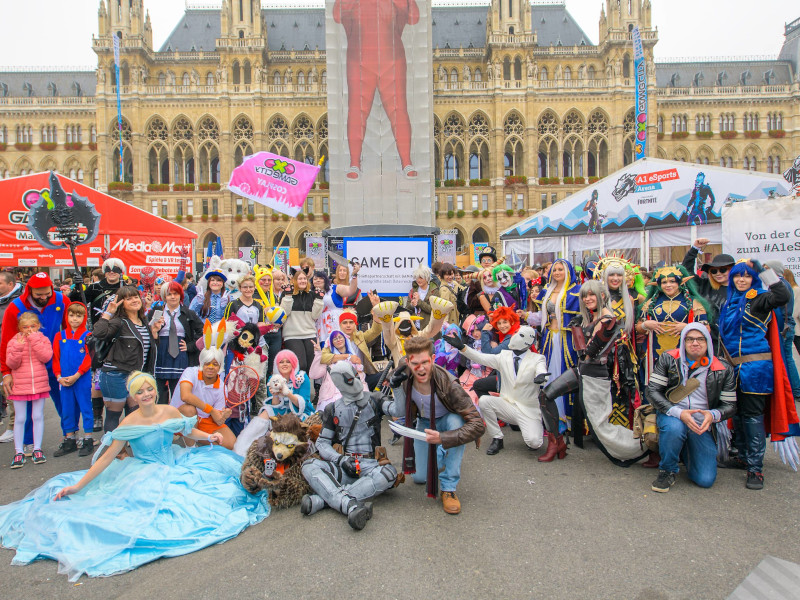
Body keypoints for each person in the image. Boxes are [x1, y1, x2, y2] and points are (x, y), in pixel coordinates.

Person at [0, 371, 268, 582]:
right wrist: (78, 486)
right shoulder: (128, 423)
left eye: (149, 388)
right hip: (144, 473)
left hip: (176, 462)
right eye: (140, 392)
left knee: (225, 484)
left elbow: (186, 431)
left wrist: (209, 437)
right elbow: (106, 458)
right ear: (133, 396)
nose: (146, 394)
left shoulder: (169, 411)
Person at [384, 336, 485, 515]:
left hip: (447, 419)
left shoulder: (448, 383)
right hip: (424, 422)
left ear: (432, 359)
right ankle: (442, 451)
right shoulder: (403, 374)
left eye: (425, 362)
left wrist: (443, 438)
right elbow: (398, 409)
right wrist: (395, 387)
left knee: (456, 424)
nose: (421, 368)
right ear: (408, 362)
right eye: (415, 363)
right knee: (420, 478)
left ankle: (449, 487)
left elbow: (478, 425)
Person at [719, 262, 796, 490]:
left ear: (753, 278)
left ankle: (755, 468)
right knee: (737, 414)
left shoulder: (760, 298)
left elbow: (782, 295)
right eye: (737, 276)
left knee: (752, 417)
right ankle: (743, 457)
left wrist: (764, 270)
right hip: (732, 368)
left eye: (746, 276)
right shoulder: (729, 302)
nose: (741, 280)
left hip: (755, 368)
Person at [555, 280, 649, 466]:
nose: (587, 299)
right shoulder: (593, 317)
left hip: (595, 374)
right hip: (585, 371)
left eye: (592, 294)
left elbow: (588, 352)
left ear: (602, 296)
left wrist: (577, 332)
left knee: (600, 425)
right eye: (584, 295)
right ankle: (556, 444)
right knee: (547, 395)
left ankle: (641, 448)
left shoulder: (607, 319)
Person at [301, 361, 400, 530]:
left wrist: (398, 388)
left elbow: (399, 411)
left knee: (389, 474)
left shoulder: (374, 399)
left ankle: (325, 500)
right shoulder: (332, 409)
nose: (356, 381)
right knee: (309, 465)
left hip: (372, 466)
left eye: (356, 376)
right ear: (339, 383)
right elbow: (322, 443)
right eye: (349, 379)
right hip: (344, 467)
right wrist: (341, 460)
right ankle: (350, 505)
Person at [333, 0, 419, 180]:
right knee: (356, 111)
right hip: (359, 59)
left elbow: (414, 17)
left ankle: (406, 162)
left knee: (399, 111)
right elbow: (337, 15)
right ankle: (354, 163)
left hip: (392, 59)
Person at [647, 323, 737, 492]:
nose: (695, 343)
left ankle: (683, 451)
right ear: (683, 341)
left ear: (708, 342)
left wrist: (713, 415)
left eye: (700, 339)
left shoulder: (723, 368)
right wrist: (679, 413)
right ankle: (667, 470)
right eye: (690, 339)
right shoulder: (668, 358)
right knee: (674, 429)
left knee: (705, 479)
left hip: (700, 423)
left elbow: (730, 406)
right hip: (673, 414)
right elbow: (652, 392)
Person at [448, 326, 557, 457]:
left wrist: (541, 377)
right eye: (515, 333)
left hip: (528, 410)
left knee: (534, 443)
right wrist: (462, 347)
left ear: (529, 341)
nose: (514, 336)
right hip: (507, 406)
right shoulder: (504, 356)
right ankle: (497, 438)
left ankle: (528, 428)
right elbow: (481, 358)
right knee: (484, 401)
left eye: (520, 334)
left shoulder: (537, 358)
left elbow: (541, 370)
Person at [1, 272, 70, 454]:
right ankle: (28, 442)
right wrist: (6, 372)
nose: (44, 297)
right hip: (26, 367)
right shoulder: (15, 307)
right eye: (39, 294)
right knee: (28, 405)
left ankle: (70, 435)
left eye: (47, 293)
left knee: (64, 400)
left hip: (54, 362)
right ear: (30, 290)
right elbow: (6, 342)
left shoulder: (61, 300)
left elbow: (71, 327)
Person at [93, 286, 159, 432]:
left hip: (135, 376)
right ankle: (114, 446)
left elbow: (147, 349)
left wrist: (154, 333)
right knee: (113, 415)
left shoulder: (143, 321)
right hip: (115, 374)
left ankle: (131, 444)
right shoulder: (119, 321)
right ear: (122, 303)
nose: (134, 300)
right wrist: (108, 313)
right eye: (128, 299)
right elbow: (98, 333)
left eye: (136, 297)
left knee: (134, 415)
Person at [527, 258, 581, 434]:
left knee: (566, 375)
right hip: (550, 338)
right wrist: (525, 315)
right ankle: (551, 419)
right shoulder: (547, 291)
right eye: (555, 270)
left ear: (568, 271)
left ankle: (569, 420)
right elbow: (541, 318)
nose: (557, 272)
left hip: (567, 340)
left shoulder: (577, 291)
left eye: (560, 269)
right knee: (549, 374)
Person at [6, 312, 53, 468]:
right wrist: (18, 347)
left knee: (37, 416)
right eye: (25, 327)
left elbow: (46, 357)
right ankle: (18, 452)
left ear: (38, 326)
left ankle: (37, 449)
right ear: (20, 328)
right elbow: (12, 364)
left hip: (39, 384)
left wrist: (34, 340)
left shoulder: (43, 339)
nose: (29, 330)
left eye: (33, 326)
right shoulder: (14, 341)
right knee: (20, 418)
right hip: (20, 386)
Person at [148, 281, 204, 406]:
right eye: (169, 294)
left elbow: (202, 331)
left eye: (176, 294)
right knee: (159, 392)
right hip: (160, 351)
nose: (173, 297)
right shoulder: (156, 312)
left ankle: (176, 415)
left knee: (178, 391)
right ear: (164, 296)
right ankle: (161, 415)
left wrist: (191, 346)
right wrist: (155, 331)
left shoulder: (188, 313)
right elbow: (147, 333)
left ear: (181, 295)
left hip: (180, 353)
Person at [171, 350, 236, 451]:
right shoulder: (190, 371)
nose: (210, 367)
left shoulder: (222, 387)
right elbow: (185, 396)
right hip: (179, 416)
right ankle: (190, 449)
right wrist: (210, 410)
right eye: (207, 363)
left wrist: (223, 416)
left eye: (215, 364)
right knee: (189, 410)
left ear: (220, 366)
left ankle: (194, 436)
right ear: (201, 363)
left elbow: (218, 420)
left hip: (204, 420)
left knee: (230, 443)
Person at [52, 303, 94, 458]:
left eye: (78, 316)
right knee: (67, 409)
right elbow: (55, 358)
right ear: (66, 316)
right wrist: (58, 377)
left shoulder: (88, 335)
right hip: (64, 380)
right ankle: (70, 439)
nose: (74, 319)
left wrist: (77, 374)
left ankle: (88, 439)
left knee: (85, 407)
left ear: (84, 317)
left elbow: (89, 358)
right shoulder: (59, 336)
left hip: (81, 379)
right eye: (71, 315)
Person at [320, 303, 383, 390]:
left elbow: (375, 331)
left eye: (351, 322)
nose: (348, 325)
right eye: (345, 323)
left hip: (361, 377)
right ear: (340, 325)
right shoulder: (334, 339)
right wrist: (347, 357)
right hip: (342, 380)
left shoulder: (360, 336)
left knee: (384, 377)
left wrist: (376, 311)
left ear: (355, 324)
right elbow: (323, 357)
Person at [763, 261, 800, 399]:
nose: (764, 272)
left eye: (766, 269)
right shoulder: (783, 284)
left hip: (782, 327)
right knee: (787, 358)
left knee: (786, 359)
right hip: (786, 325)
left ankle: (795, 390)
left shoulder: (779, 285)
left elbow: (779, 310)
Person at [279, 270, 324, 373]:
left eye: (304, 278)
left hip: (309, 334)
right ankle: (297, 382)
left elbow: (315, 316)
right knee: (301, 365)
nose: (303, 281)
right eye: (300, 279)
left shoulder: (311, 294)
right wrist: (288, 295)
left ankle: (306, 384)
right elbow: (284, 313)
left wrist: (319, 300)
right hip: (292, 335)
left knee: (311, 366)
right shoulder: (287, 293)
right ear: (294, 280)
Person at [0, 271, 22, 444]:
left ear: (10, 284)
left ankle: (14, 427)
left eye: (0, 283)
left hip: (12, 352)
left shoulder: (19, 301)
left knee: (11, 390)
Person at [263, 349, 314, 420]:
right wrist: (275, 395)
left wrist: (287, 393)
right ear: (277, 365)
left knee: (294, 422)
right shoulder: (272, 379)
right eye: (281, 362)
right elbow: (274, 406)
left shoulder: (302, 377)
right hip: (280, 411)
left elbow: (303, 405)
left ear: (293, 363)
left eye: (288, 362)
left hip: (300, 412)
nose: (285, 364)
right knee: (266, 412)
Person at [408, 264, 440, 330]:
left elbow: (434, 311)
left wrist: (419, 302)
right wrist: (412, 304)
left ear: (427, 278)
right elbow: (407, 307)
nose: (418, 280)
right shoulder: (413, 290)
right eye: (417, 277)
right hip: (414, 327)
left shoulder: (434, 291)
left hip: (428, 328)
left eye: (421, 278)